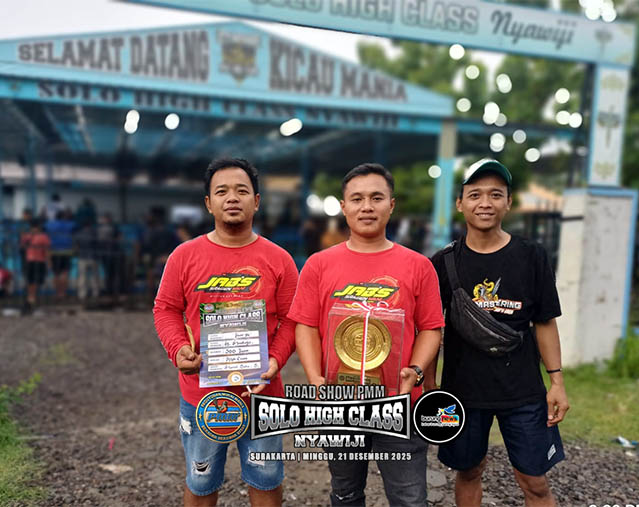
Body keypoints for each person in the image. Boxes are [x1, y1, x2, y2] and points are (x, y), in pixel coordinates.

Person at [288, 163, 444, 507]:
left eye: (376, 197)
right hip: (339, 403)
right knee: (345, 493)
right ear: (344, 207)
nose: (367, 207)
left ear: (392, 205)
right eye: (357, 199)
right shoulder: (318, 264)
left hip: (399, 403)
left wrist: (416, 370)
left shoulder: (419, 266)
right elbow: (306, 325)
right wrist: (315, 379)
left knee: (409, 499)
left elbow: (431, 328)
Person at [153, 158, 298, 507]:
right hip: (201, 395)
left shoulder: (279, 259)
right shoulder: (184, 256)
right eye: (222, 191)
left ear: (256, 201)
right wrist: (178, 349)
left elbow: (293, 320)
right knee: (201, 481)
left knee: (266, 479)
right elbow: (165, 309)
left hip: (263, 394)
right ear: (208, 203)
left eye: (241, 191)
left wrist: (276, 360)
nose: (232, 198)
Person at [429, 158, 569, 507]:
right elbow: (430, 328)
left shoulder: (532, 256)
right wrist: (429, 385)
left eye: (495, 194)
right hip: (463, 391)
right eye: (475, 194)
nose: (485, 203)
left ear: (509, 202)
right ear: (460, 203)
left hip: (522, 391)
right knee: (468, 471)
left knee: (535, 482)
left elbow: (545, 321)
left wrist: (557, 382)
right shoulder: (443, 262)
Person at [20, 219, 51, 312]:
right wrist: (49, 262)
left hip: (31, 261)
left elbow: (22, 248)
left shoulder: (27, 236)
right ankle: (31, 298)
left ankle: (31, 298)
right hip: (38, 261)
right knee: (35, 281)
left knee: (32, 281)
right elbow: (47, 251)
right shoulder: (43, 237)